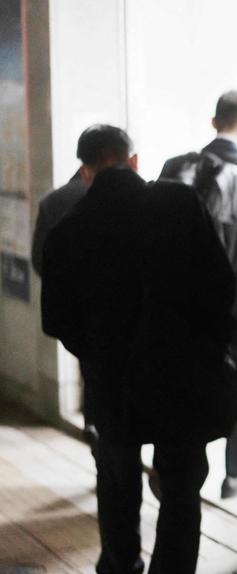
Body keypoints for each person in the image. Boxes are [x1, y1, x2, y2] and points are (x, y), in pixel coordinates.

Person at [41, 125, 237, 574]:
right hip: (181, 380)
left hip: (114, 383)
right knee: (180, 495)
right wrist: (200, 347)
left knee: (117, 478)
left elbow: (57, 320)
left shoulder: (68, 229)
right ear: (133, 159)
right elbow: (221, 287)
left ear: (85, 169)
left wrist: (99, 355)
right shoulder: (177, 202)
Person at [160, 90, 237, 499]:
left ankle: (180, 469)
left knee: (190, 379)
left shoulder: (177, 166)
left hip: (186, 298)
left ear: (214, 122)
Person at [31, 134, 94, 444]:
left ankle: (93, 423)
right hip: (122, 311)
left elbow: (39, 259)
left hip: (75, 310)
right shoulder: (142, 199)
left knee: (90, 367)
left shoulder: (54, 201)